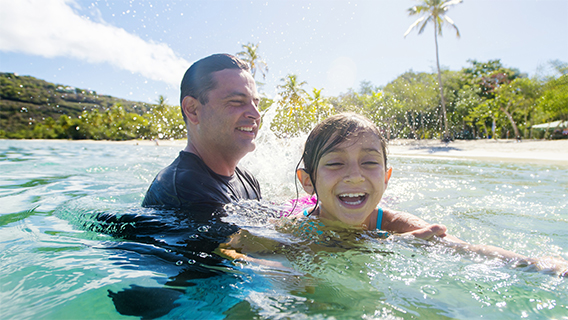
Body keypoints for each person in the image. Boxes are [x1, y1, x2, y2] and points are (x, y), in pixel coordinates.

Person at [286, 112, 567, 276]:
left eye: (369, 162)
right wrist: (382, 248)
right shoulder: (292, 231)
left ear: (385, 178)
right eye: (335, 163)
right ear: (308, 181)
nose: (356, 175)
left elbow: (467, 249)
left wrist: (537, 265)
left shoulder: (396, 225)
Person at [142, 54, 262, 209]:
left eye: (256, 104)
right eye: (237, 102)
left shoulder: (247, 179)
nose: (256, 114)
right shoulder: (185, 189)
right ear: (192, 110)